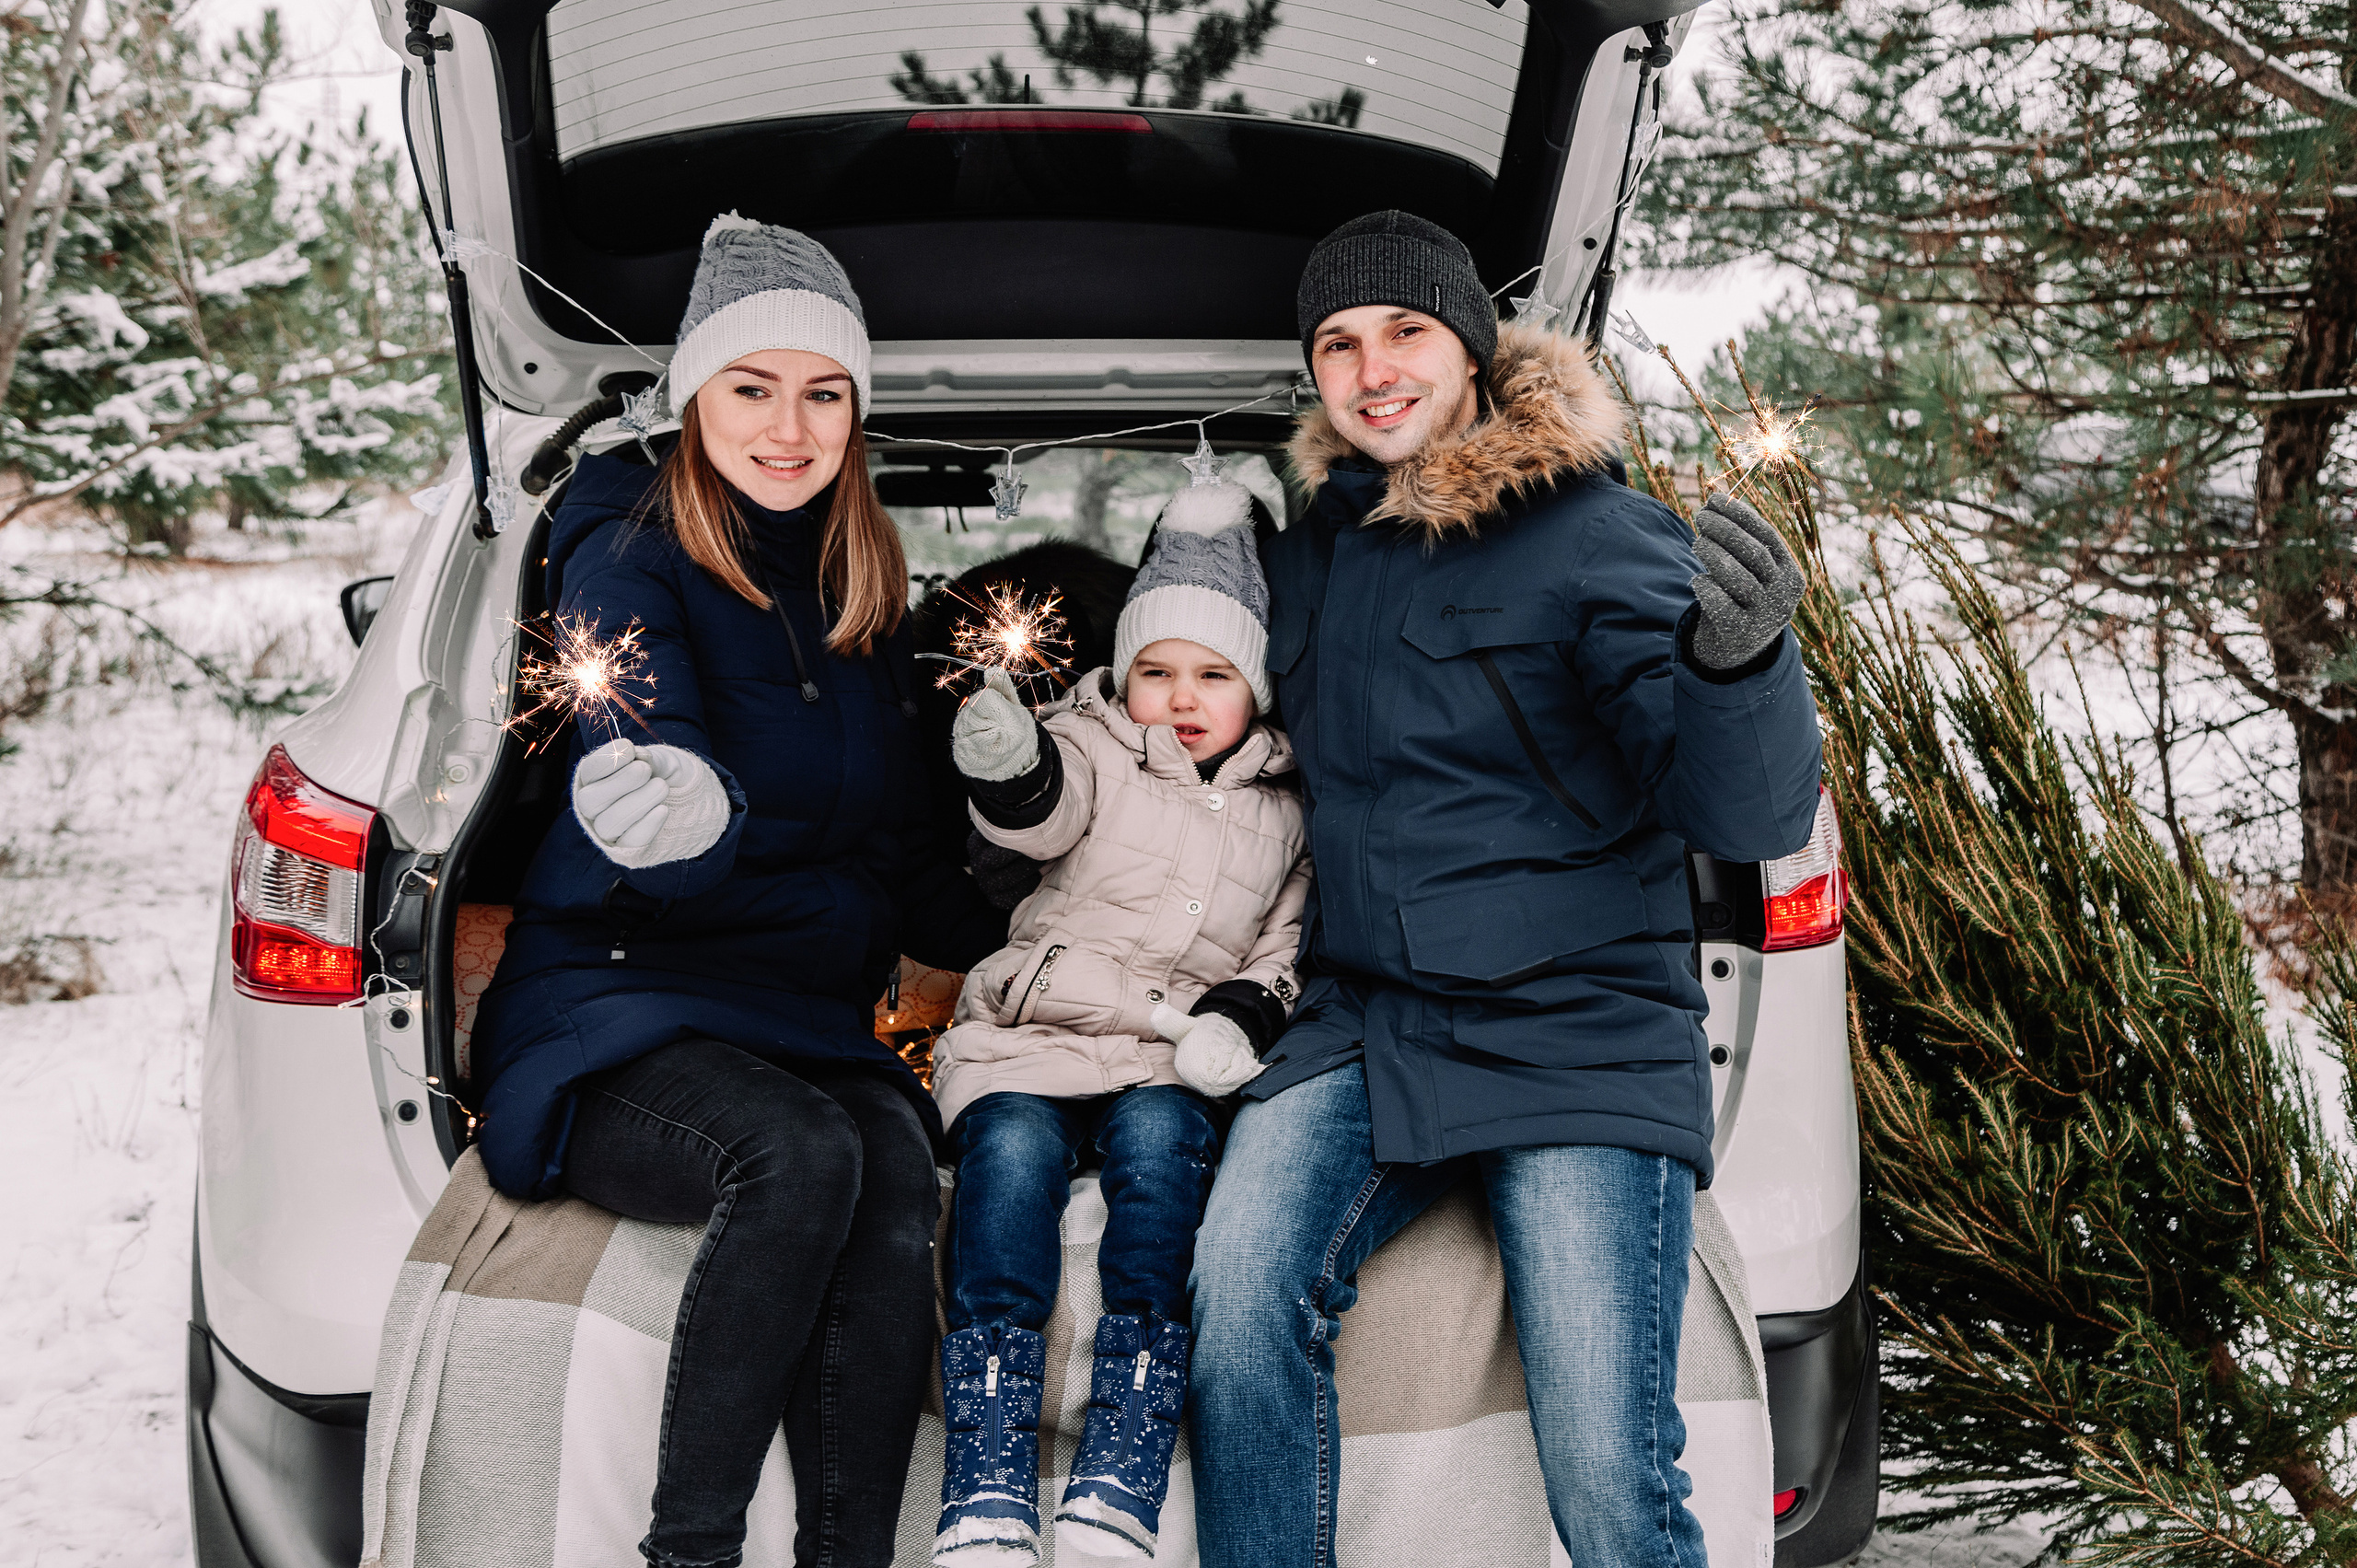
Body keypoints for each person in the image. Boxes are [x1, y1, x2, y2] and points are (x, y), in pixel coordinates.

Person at [1186, 210, 1826, 1568]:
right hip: (1367, 1020)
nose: (1373, 370)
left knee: (1608, 1465)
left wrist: (1741, 663)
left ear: (1471, 349)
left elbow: (1745, 809)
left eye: (1406, 331)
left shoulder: (1595, 530)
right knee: (1238, 1305)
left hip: (1579, 1023)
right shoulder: (1312, 549)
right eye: (1339, 344)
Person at [469, 215, 1004, 1568]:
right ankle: (690, 1549)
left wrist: (1023, 941)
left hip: (806, 1015)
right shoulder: (621, 550)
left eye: (824, 393)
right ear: (693, 396)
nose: (789, 426)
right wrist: (676, 806)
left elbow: (894, 857)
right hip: (617, 998)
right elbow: (632, 720)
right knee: (802, 1151)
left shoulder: (867, 595)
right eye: (751, 388)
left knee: (891, 1174)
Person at [927, 480, 1311, 1566]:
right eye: (1155, 671)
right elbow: (1044, 814)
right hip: (1035, 1030)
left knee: (1163, 1156)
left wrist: (1236, 1019)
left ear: (1258, 687)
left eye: (1213, 674)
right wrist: (1010, 767)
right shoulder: (1094, 744)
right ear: (1120, 676)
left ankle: (1122, 1450)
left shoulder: (1289, 809)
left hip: (1170, 1051)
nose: (1180, 697)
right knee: (1006, 1159)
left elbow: (1284, 946)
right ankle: (989, 1463)